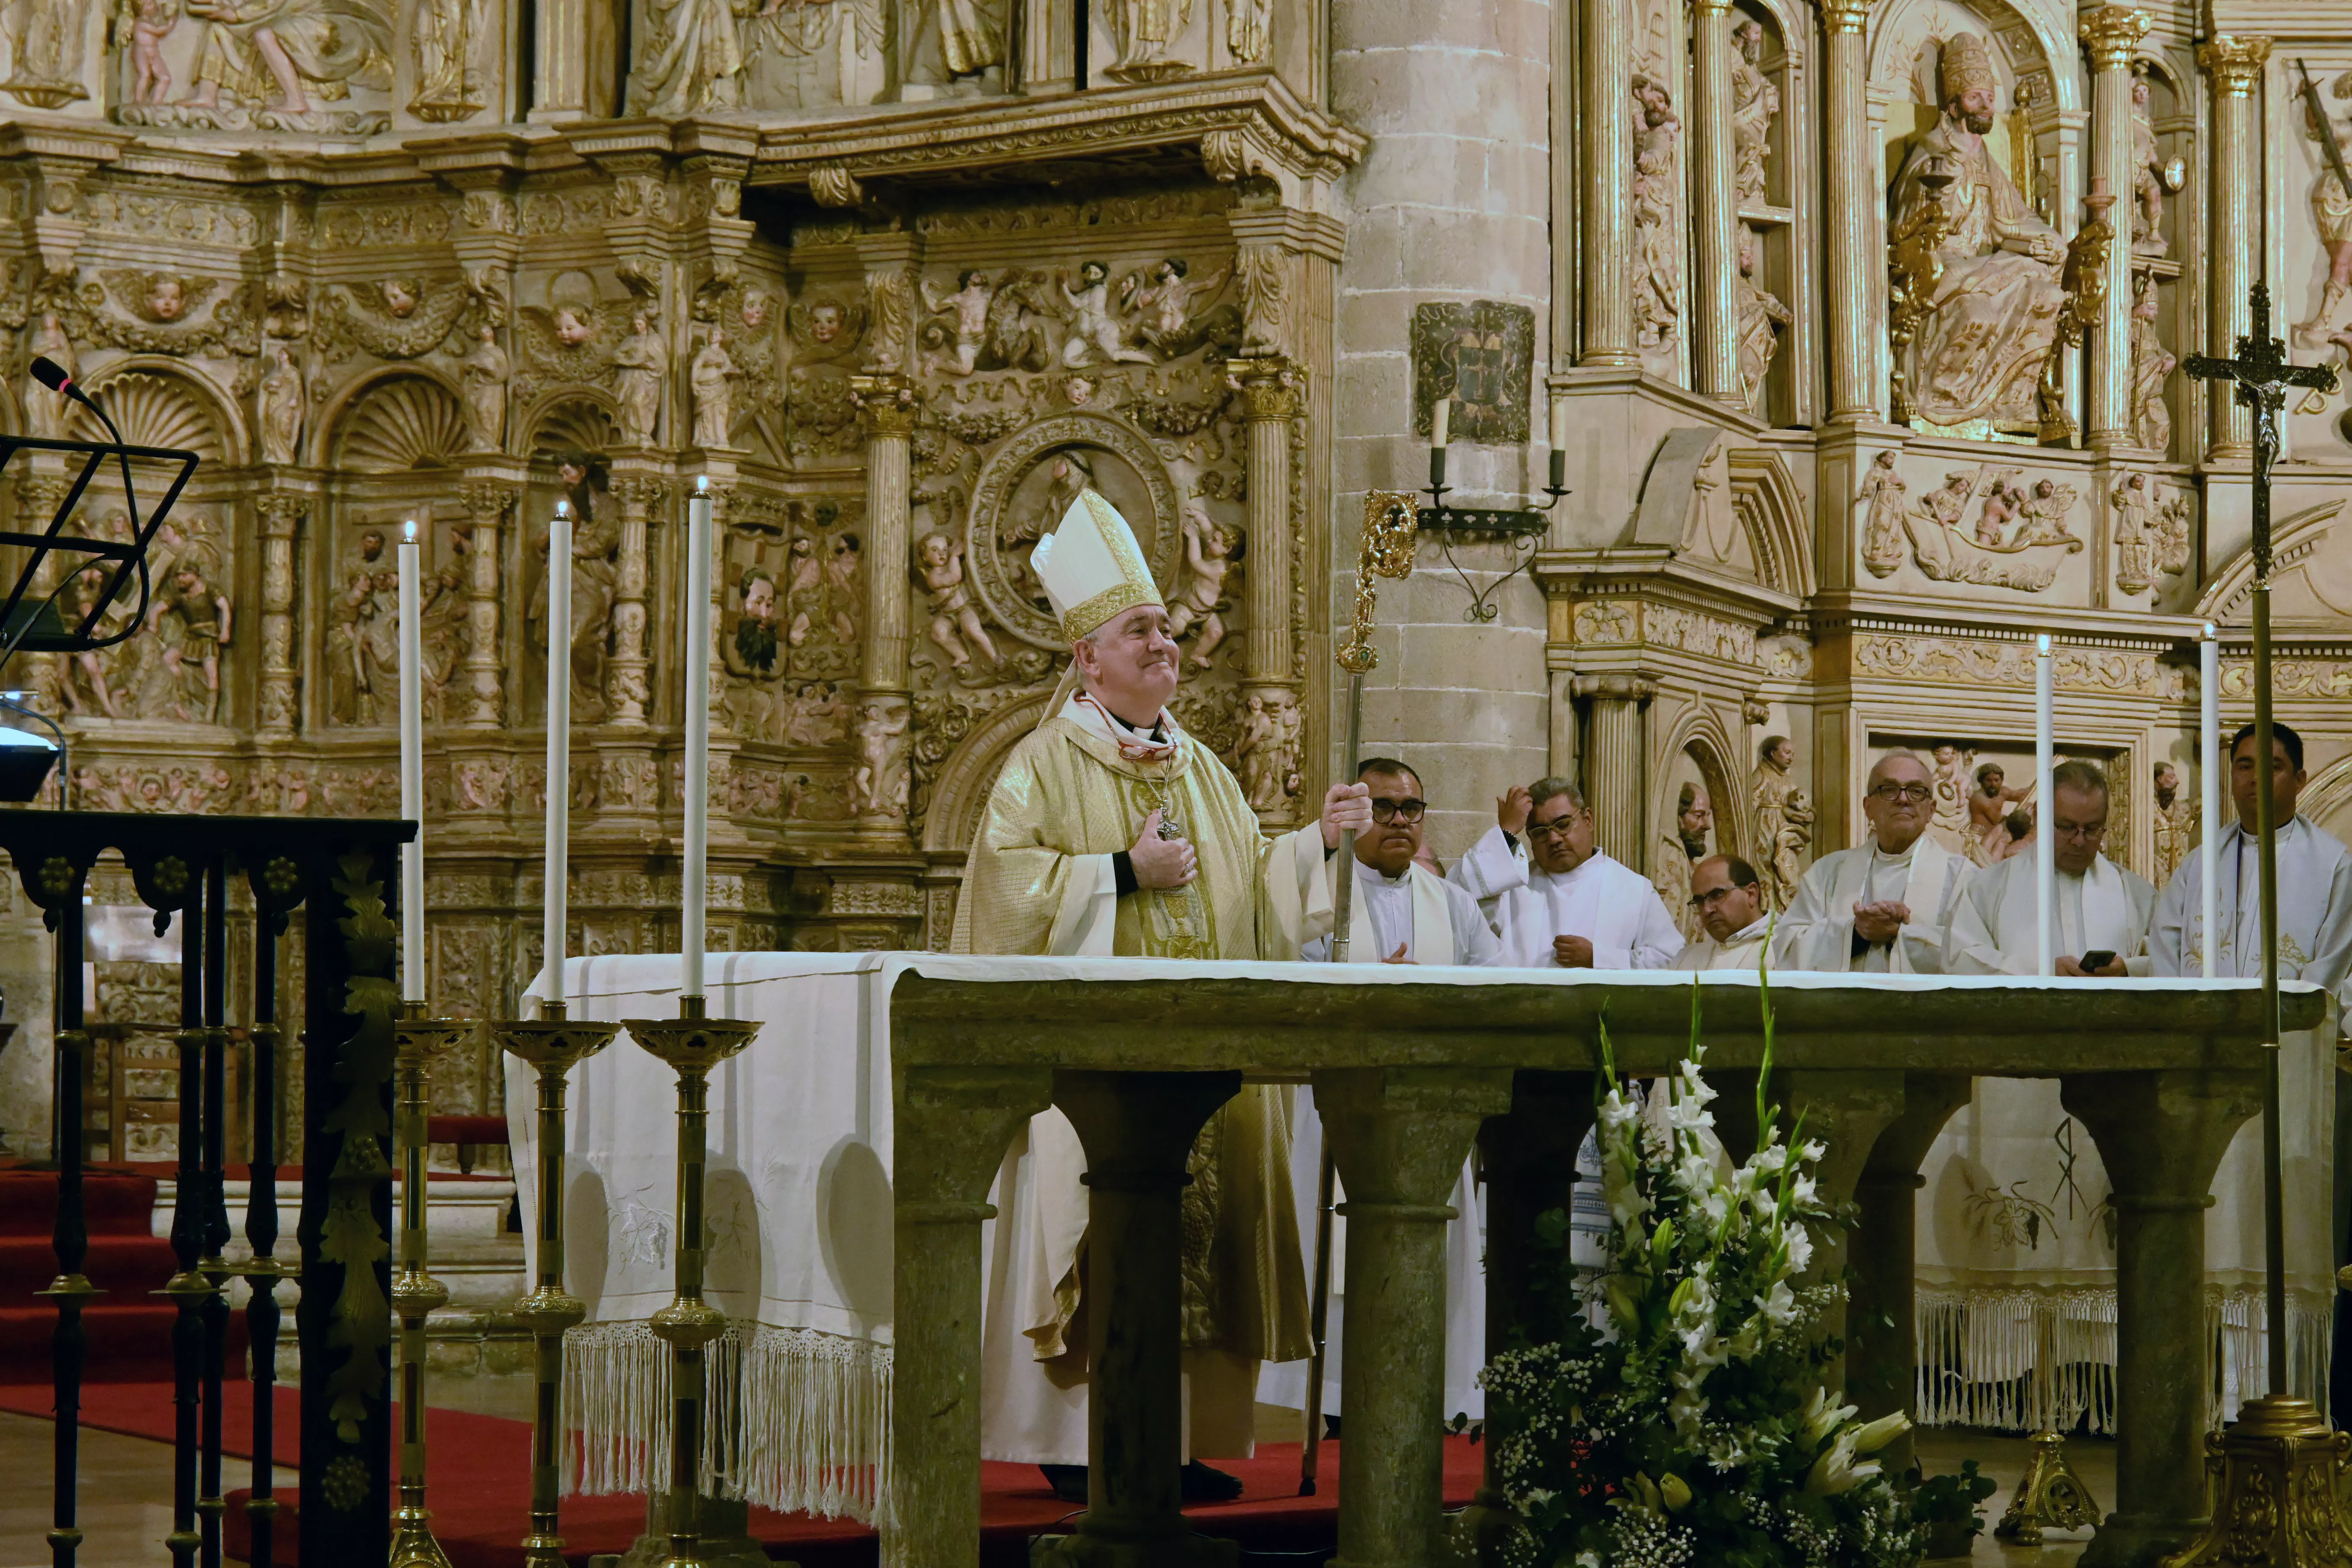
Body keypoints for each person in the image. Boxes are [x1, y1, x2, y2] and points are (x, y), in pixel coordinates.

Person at [952, 485, 1372, 1502]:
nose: (1164, 643)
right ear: (1085, 657)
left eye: (1168, 629)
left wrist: (1316, 844)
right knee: (1096, 1234)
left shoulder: (1207, 774)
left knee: (1199, 1233)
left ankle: (1173, 1441)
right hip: (1090, 1076)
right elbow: (1002, 894)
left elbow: (1254, 889)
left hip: (1203, 1073)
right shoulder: (1039, 767)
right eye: (1139, 629)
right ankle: (1075, 1442)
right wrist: (1120, 875)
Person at [2153, 723, 2352, 1010]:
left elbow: (2330, 966)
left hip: (2286, 1039)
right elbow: (2165, 952)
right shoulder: (2198, 865)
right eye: (2244, 767)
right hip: (2203, 1036)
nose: (2256, 778)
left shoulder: (2333, 866)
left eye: (2273, 767)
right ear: (2231, 775)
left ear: (2299, 780)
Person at [1447, 778, 1684, 969]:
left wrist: (1599, 959)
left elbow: (1671, 960)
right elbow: (1455, 907)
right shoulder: (1509, 885)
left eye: (1563, 825)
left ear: (1588, 820)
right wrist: (1506, 832)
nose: (1553, 839)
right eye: (1540, 832)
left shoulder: (1632, 889)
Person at [1946, 761, 2153, 976]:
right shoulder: (1987, 888)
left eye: (2092, 829)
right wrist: (2041, 974)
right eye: (2067, 827)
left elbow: (2171, 961)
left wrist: (2129, 970)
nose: (2080, 841)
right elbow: (1961, 959)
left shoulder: (2137, 895)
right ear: (2040, 818)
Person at [1772, 751, 1973, 973]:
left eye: (1916, 791)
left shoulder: (1962, 876)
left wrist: (1899, 934)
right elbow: (1787, 949)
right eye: (1889, 789)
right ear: (1868, 808)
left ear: (1931, 811)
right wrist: (1856, 933)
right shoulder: (1827, 873)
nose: (1903, 799)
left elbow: (1975, 956)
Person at [1301, 757, 1505, 968]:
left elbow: (1495, 987)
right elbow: (1295, 986)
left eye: (1411, 808)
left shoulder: (1457, 904)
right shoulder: (1316, 899)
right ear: (1354, 815)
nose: (1400, 820)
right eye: (1382, 807)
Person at [1671, 854, 1773, 970]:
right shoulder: (1685, 960)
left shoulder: (1784, 950)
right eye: (1699, 901)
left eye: (1717, 895)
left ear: (1751, 894)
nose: (1707, 910)